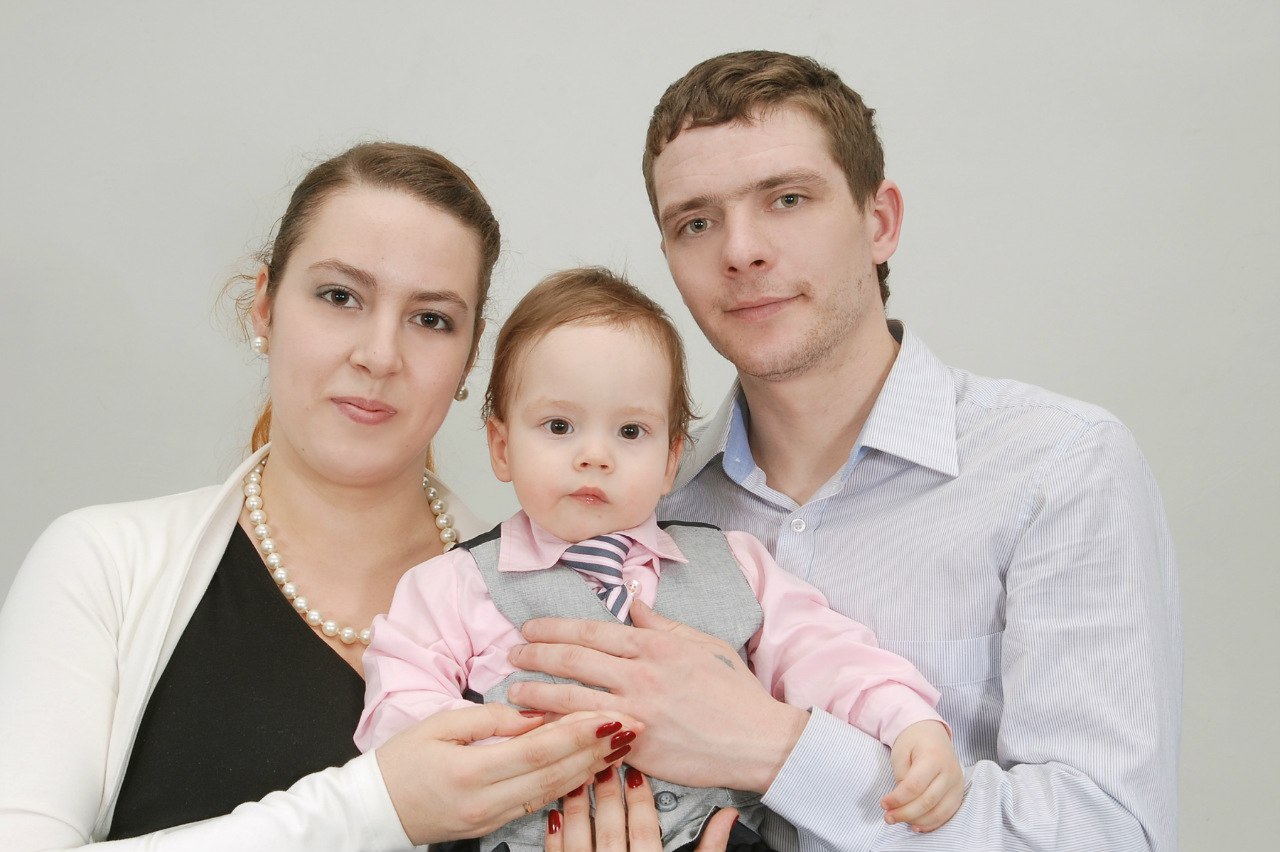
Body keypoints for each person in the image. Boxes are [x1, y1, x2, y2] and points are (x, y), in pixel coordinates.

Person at [503, 52, 1182, 850]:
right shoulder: (645, 511)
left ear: (880, 221)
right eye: (696, 222)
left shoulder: (1058, 468)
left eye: (787, 199)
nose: (741, 251)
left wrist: (774, 748)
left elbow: (1108, 834)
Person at [0, 142, 637, 850]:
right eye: (339, 297)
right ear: (265, 305)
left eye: (431, 319)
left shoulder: (554, 609)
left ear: (470, 357)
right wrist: (379, 808)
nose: (379, 355)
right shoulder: (103, 568)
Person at [356, 267, 964, 852]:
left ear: (672, 458)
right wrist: (493, 758)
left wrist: (906, 721)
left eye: (630, 432)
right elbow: (401, 713)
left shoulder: (735, 563)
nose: (595, 455)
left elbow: (824, 652)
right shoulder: (450, 585)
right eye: (559, 425)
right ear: (501, 445)